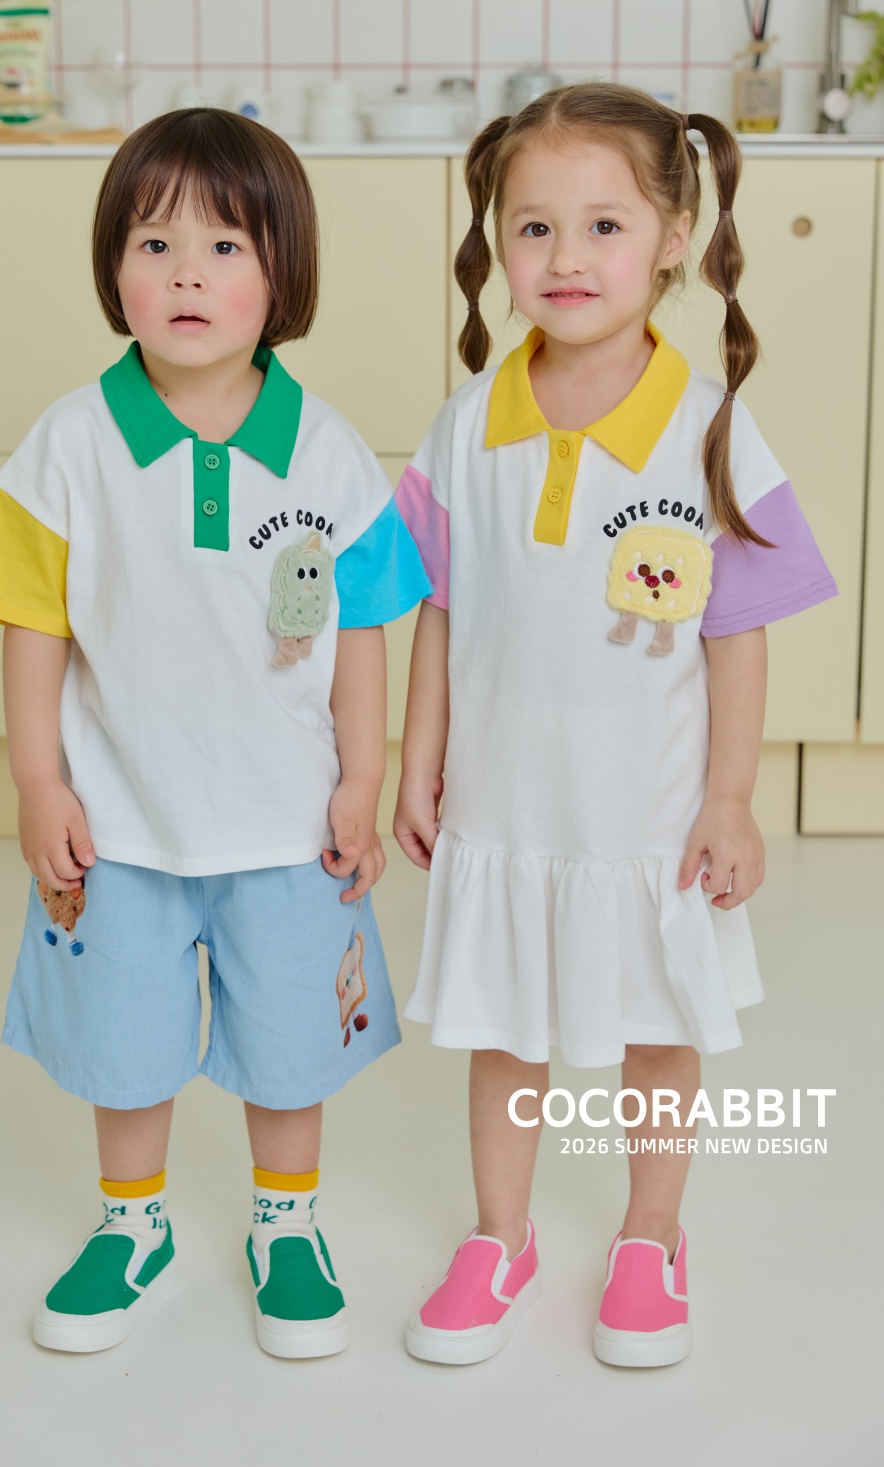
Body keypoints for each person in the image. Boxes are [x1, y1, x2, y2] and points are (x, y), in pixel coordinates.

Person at [0, 107, 430, 1359]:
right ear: (114, 269)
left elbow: (363, 631)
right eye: (154, 246)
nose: (187, 277)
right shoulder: (71, 442)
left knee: (290, 1042)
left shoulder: (325, 449)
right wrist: (38, 780)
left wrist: (363, 777)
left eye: (224, 247)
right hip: (123, 824)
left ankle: (287, 1223)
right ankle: (133, 1223)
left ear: (283, 273)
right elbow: (33, 624)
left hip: (287, 823)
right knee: (125, 1041)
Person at [393, 83, 837, 1369]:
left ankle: (652, 1234)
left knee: (658, 1028)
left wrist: (730, 798)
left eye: (604, 225)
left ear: (673, 237)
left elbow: (737, 632)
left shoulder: (711, 433)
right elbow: (437, 607)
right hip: (504, 806)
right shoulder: (468, 425)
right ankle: (502, 1235)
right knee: (501, 1032)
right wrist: (419, 761)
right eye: (533, 228)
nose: (566, 257)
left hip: (645, 815)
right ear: (497, 244)